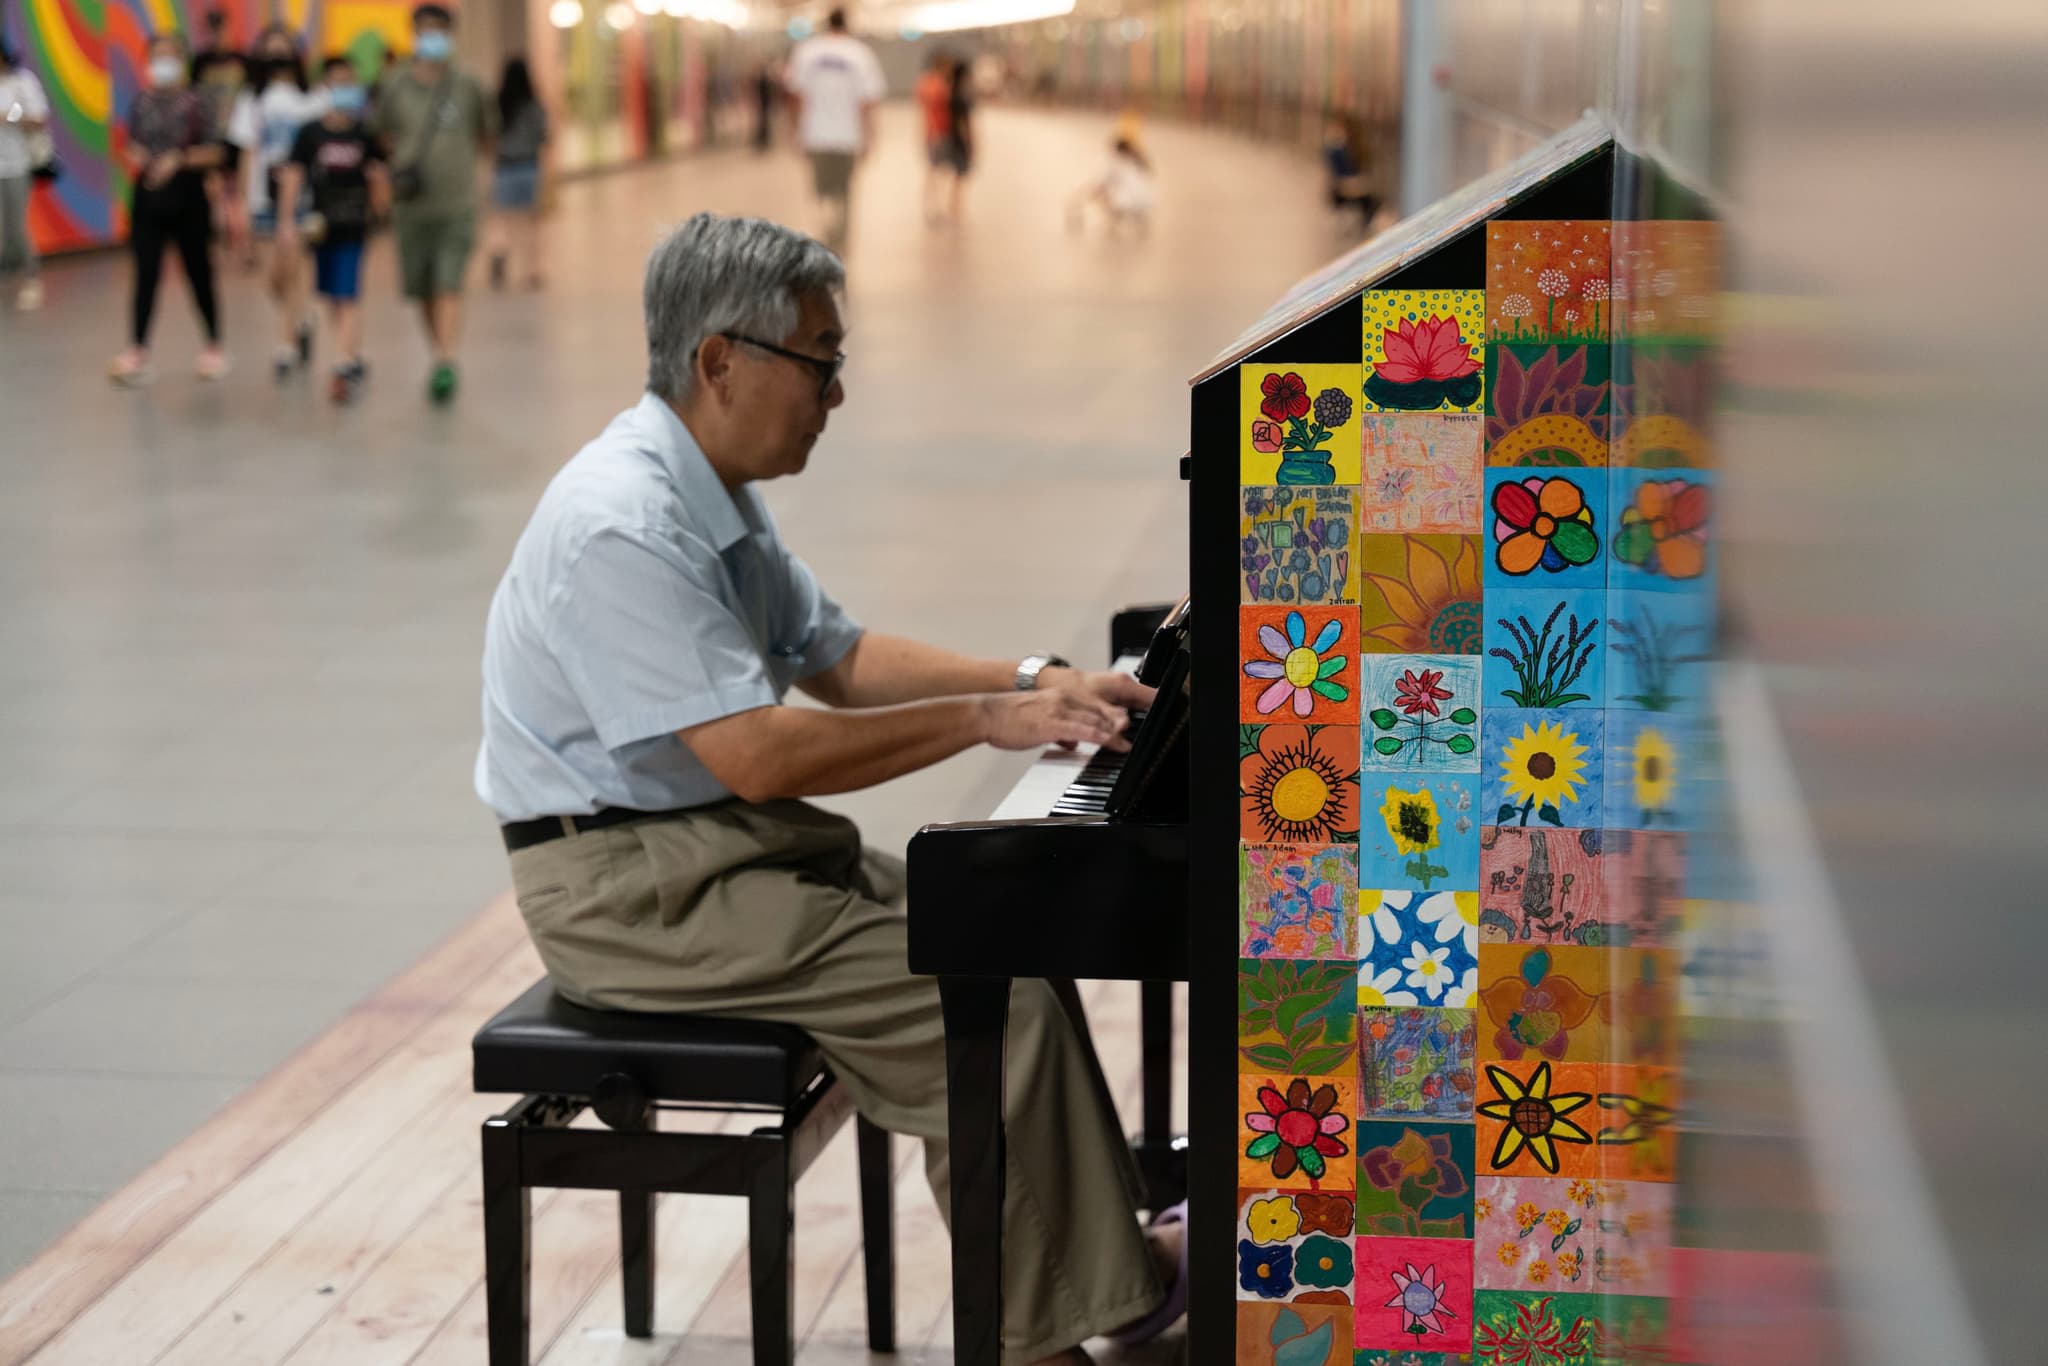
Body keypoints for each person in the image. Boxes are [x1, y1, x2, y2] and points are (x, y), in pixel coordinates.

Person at [475, 213, 1188, 1366]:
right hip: (632, 895)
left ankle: (1106, 1284)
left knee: (1004, 933)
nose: (835, 393)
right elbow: (755, 753)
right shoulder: (621, 523)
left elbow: (838, 657)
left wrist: (1030, 677)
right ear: (719, 360)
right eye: (820, 360)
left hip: (709, 853)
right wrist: (984, 720)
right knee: (990, 1021)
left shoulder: (707, 488)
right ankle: (1042, 1337)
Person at [373, 2, 496, 403]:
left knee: (449, 282)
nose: (432, 39)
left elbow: (486, 137)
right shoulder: (395, 85)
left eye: (439, 32)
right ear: (413, 35)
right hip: (410, 207)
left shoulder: (469, 85)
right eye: (424, 31)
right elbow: (383, 137)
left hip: (457, 203)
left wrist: (486, 193)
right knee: (423, 288)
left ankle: (445, 359)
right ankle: (439, 352)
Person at [111, 33, 229, 385]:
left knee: (198, 272)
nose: (163, 63)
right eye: (157, 56)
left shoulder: (197, 102)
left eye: (169, 56)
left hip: (188, 198)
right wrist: (137, 157)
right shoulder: (140, 103)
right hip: (148, 198)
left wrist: (178, 160)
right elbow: (129, 144)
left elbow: (217, 151)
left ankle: (214, 345)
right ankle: (138, 350)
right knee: (145, 273)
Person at [276, 56, 387, 403]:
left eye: (351, 83)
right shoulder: (310, 133)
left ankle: (343, 362)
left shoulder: (365, 135)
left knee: (348, 293)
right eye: (338, 82)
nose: (346, 89)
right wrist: (286, 221)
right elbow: (292, 176)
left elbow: (381, 178)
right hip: (319, 227)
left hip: (354, 226)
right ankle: (348, 351)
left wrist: (381, 207)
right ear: (325, 87)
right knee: (330, 294)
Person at [229, 26, 328, 380]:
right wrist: (240, 200)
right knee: (276, 275)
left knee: (296, 261)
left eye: (282, 50)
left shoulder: (313, 98)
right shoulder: (251, 100)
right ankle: (303, 318)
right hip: (263, 196)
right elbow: (246, 152)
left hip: (303, 196)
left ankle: (285, 345)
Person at [781, 8, 881, 252]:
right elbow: (867, 101)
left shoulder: (807, 51)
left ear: (826, 24)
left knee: (821, 188)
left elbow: (795, 95)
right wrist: (870, 136)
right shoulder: (860, 53)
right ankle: (841, 238)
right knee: (844, 189)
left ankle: (825, 231)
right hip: (848, 135)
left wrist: (794, 130)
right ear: (848, 25)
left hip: (816, 134)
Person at [485, 56, 547, 291]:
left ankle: (499, 251)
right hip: (528, 166)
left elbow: (489, 137)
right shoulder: (534, 106)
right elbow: (543, 139)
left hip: (505, 166)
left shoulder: (498, 104)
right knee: (532, 222)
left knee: (501, 218)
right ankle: (534, 268)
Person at [0, 37, 50, 311]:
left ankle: (31, 277)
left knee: (17, 225)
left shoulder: (21, 82)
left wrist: (8, 116)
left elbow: (38, 117)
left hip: (17, 163)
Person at [1066, 136, 1155, 237]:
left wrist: (1077, 201)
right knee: (1111, 193)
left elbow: (1099, 183)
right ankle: (1130, 222)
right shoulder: (1139, 162)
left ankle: (1114, 223)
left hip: (1128, 203)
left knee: (1103, 194)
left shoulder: (1116, 163)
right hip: (1147, 204)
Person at [914, 50, 954, 226]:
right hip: (937, 132)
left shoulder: (925, 82)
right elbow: (930, 109)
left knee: (936, 171)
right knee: (936, 171)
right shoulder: (936, 84)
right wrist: (935, 131)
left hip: (934, 131)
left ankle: (934, 206)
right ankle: (934, 207)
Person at [1323, 110, 1378, 229]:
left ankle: (1364, 218)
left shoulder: (1346, 146)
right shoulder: (1338, 148)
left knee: (1367, 195)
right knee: (1366, 196)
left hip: (1348, 182)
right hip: (1346, 183)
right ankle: (1364, 219)